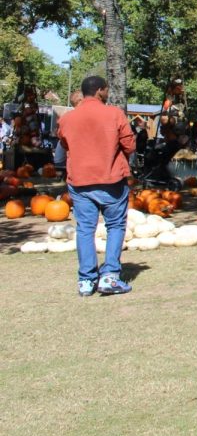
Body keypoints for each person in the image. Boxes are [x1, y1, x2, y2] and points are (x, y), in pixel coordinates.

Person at [56, 76, 136, 296]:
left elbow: (64, 144)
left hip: (80, 181)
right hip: (111, 179)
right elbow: (129, 145)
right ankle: (110, 276)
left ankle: (86, 280)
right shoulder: (114, 114)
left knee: (85, 229)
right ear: (100, 90)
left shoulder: (67, 118)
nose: (108, 92)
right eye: (106, 89)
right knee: (115, 226)